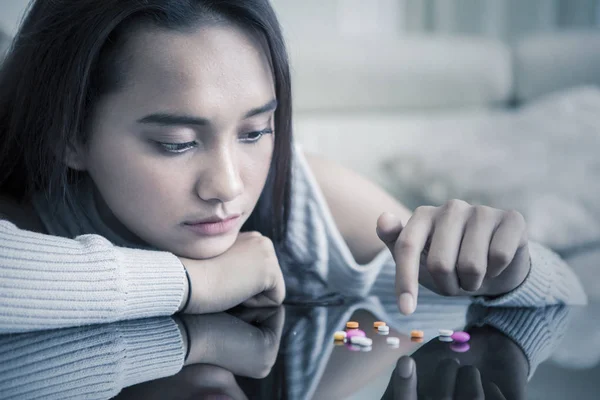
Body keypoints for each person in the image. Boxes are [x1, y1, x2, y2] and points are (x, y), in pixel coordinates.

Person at [0, 0, 587, 334]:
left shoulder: (300, 192)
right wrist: (199, 282)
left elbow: (567, 290)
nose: (229, 187)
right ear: (68, 136)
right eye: (178, 143)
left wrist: (510, 269)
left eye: (256, 131)